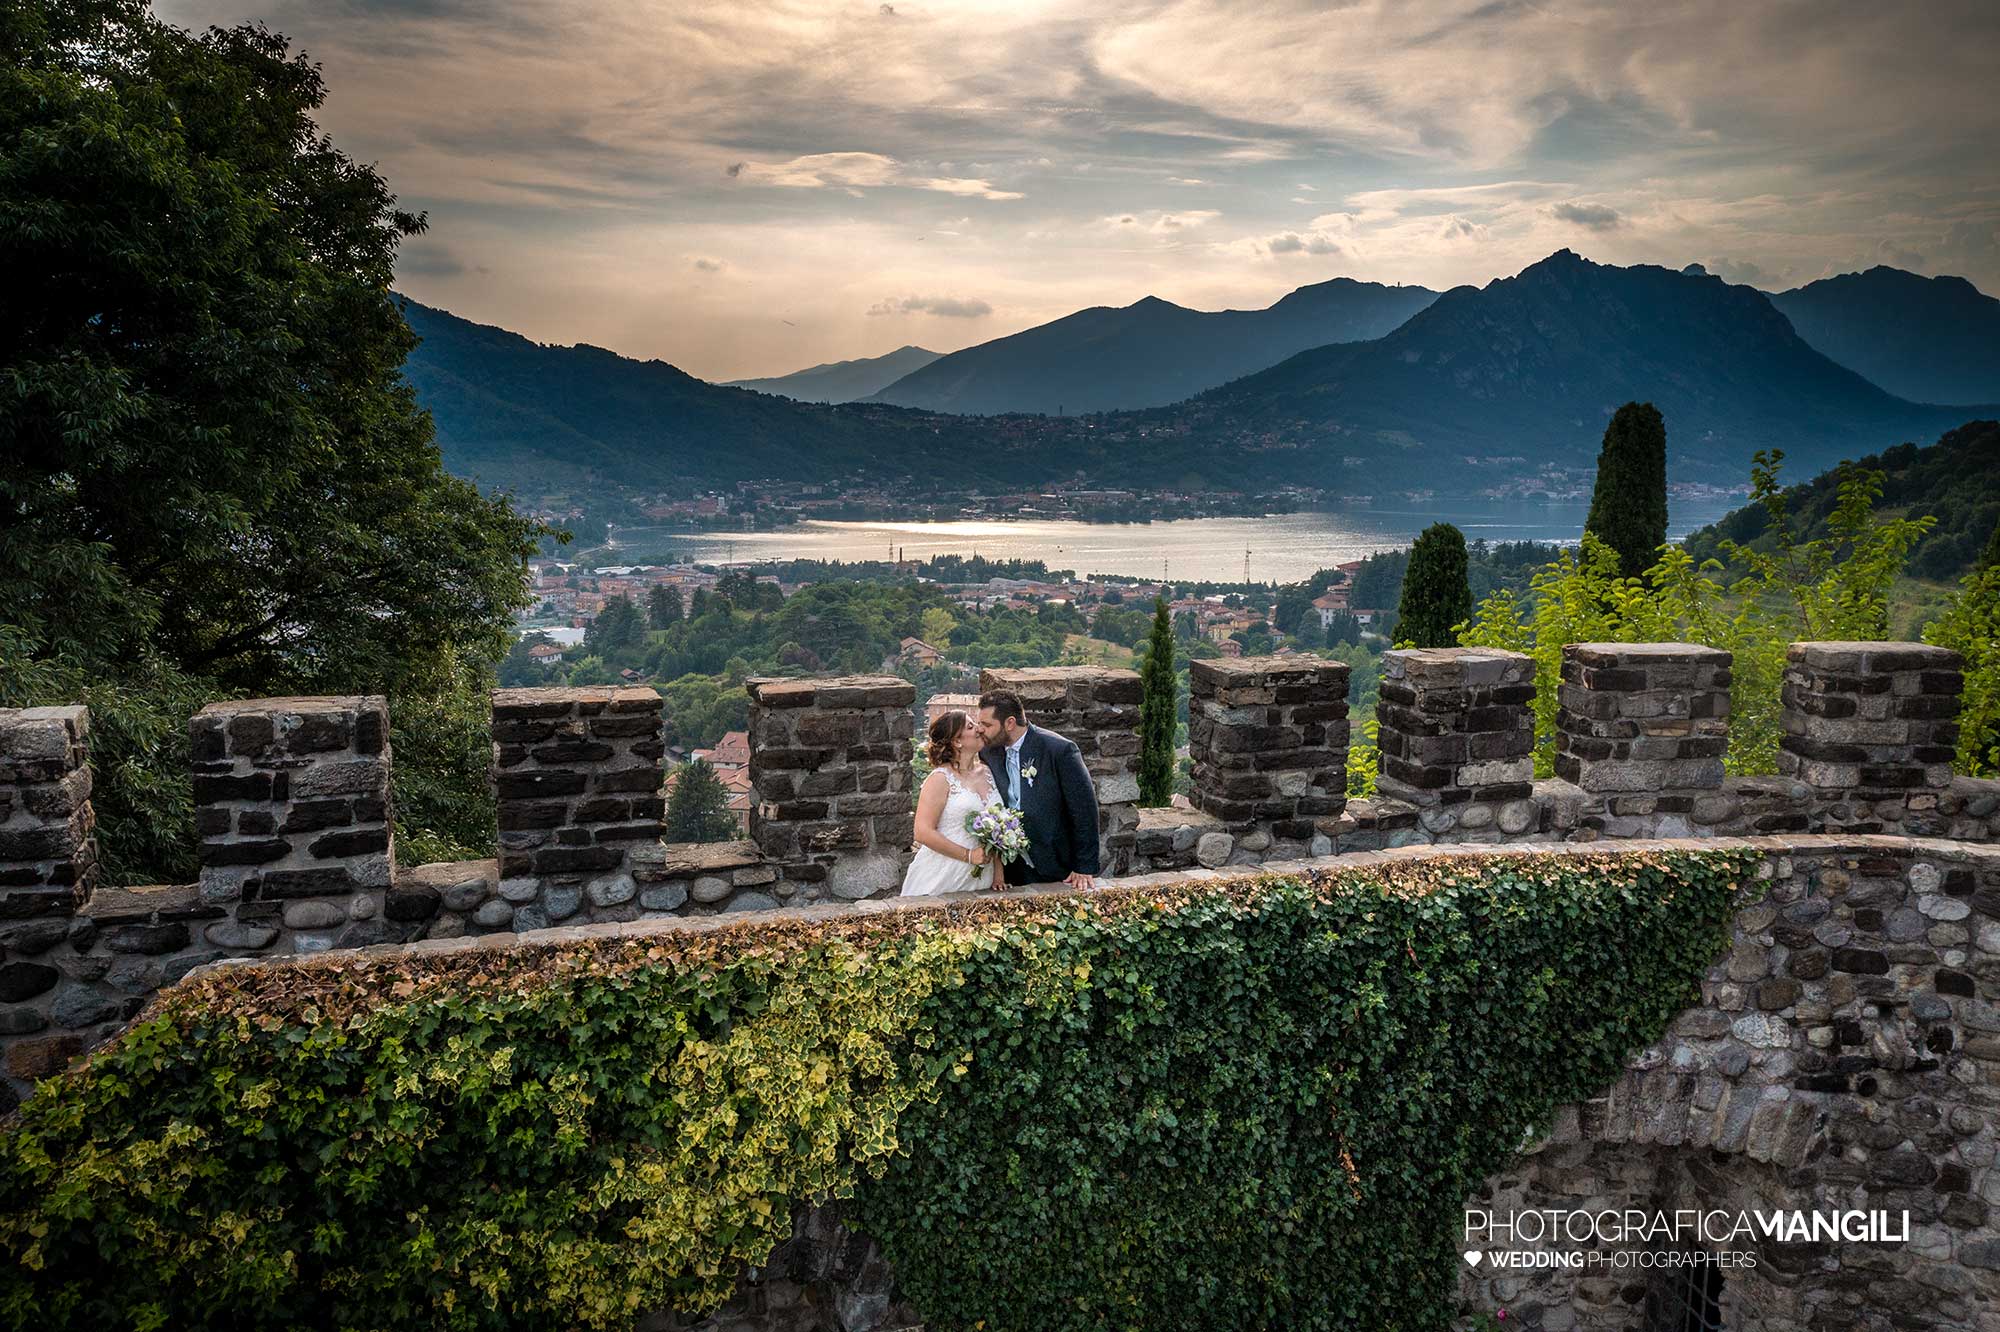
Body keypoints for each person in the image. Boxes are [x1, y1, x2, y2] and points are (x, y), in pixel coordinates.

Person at [976, 690, 1101, 888]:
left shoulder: (1059, 750)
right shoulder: (987, 752)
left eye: (987, 725)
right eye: (979, 723)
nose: (980, 730)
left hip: (1057, 864)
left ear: (1009, 723)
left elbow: (1084, 810)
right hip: (1011, 868)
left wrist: (1084, 866)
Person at [900, 710, 1003, 897]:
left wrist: (999, 874)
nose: (979, 729)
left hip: (983, 878)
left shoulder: (987, 772)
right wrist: (969, 855)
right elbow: (922, 832)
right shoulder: (940, 778)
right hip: (944, 874)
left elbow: (996, 827)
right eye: (971, 727)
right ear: (957, 741)